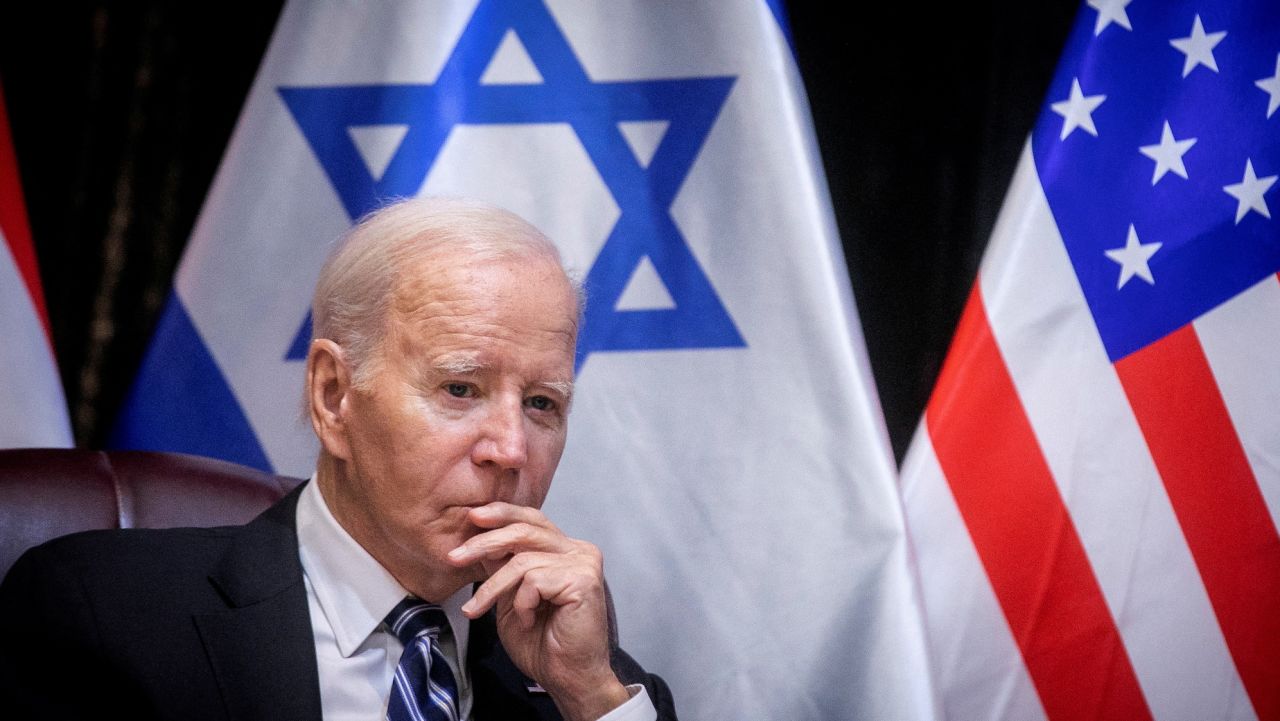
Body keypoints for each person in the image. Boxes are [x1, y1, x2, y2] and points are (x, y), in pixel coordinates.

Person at [0, 196, 677, 721]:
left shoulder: (588, 683)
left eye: (541, 404)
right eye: (460, 388)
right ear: (333, 395)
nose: (510, 450)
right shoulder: (103, 613)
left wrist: (590, 696)